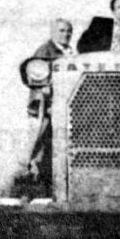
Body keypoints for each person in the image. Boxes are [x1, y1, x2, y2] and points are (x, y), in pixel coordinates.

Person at [19, 18, 75, 193]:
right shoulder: (45, 51)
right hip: (48, 108)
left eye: (68, 31)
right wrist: (45, 104)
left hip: (65, 108)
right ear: (53, 32)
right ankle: (36, 180)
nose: (65, 34)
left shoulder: (71, 52)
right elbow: (36, 77)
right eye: (61, 30)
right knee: (42, 144)